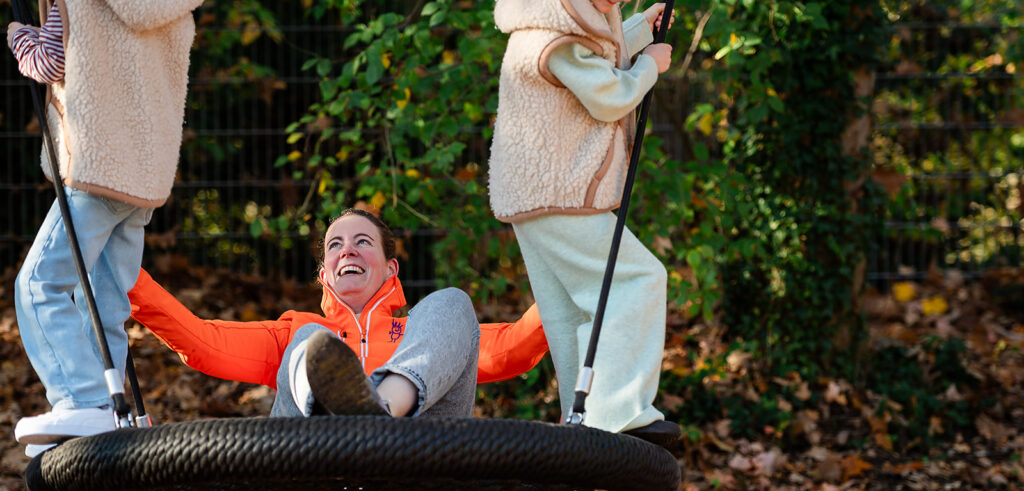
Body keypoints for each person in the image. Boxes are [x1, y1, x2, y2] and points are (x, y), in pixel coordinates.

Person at [126, 209, 550, 421]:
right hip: (313, 457)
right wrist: (125, 278)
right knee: (310, 338)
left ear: (390, 268)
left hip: (418, 455)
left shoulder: (422, 332)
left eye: (363, 241)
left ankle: (380, 406)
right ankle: (337, 411)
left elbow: (512, 348)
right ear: (324, 271)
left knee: (453, 302)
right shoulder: (295, 329)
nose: (347, 249)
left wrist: (577, 283)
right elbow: (204, 344)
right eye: (335, 245)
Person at [9, 0, 204, 445]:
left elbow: (48, 61)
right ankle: (110, 419)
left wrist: (17, 35)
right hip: (143, 179)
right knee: (107, 304)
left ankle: (83, 401)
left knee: (39, 284)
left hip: (99, 170)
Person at [488, 0, 679, 446]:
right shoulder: (552, 39)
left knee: (571, 311)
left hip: (536, 196)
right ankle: (617, 414)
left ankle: (584, 426)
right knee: (637, 279)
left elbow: (594, 57)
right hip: (557, 191)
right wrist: (649, 66)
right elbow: (608, 96)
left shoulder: (549, 27)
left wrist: (638, 30)